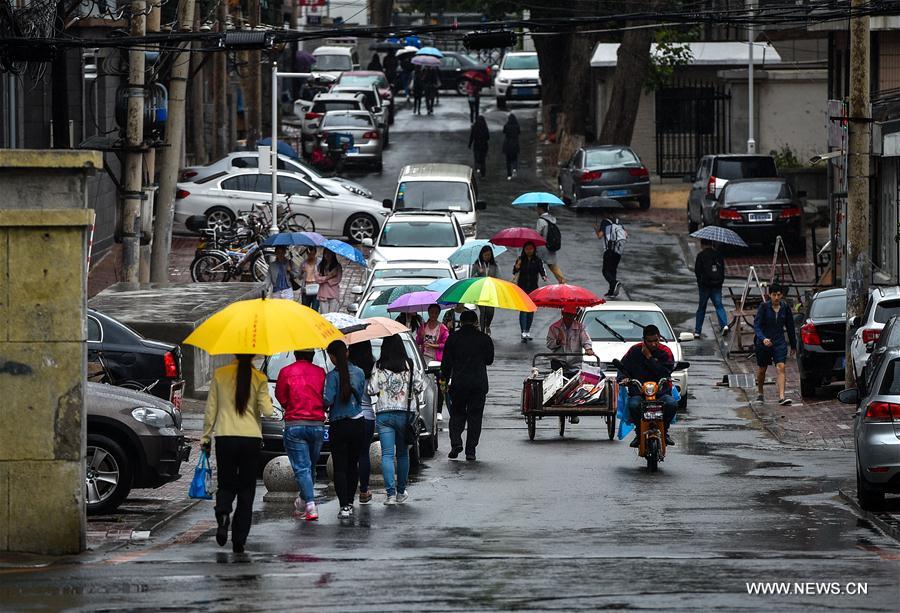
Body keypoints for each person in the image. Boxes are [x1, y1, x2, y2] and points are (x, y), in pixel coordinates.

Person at [201, 354, 274, 553]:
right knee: (247, 489)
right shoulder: (259, 378)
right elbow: (267, 411)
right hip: (251, 439)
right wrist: (265, 400)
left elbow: (211, 410)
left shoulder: (220, 374)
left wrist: (206, 437)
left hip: (225, 437)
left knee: (226, 483)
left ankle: (223, 514)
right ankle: (239, 538)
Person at [368, 334, 424, 504]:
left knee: (386, 455)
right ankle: (401, 492)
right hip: (406, 415)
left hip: (384, 414)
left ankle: (390, 494)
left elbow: (371, 389)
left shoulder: (378, 366)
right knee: (402, 454)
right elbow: (419, 386)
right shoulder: (410, 364)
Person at [274, 350, 326, 522]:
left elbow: (280, 396)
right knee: (310, 467)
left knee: (302, 468)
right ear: (312, 356)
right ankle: (303, 502)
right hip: (317, 425)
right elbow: (324, 397)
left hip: (295, 424)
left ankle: (310, 505)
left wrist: (291, 406)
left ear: (295, 354)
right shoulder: (320, 373)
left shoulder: (286, 372)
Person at [442, 310, 494, 461]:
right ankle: (470, 450)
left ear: (461, 322)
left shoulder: (453, 338)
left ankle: (456, 442)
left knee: (457, 413)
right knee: (475, 417)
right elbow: (489, 360)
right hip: (478, 384)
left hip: (459, 383)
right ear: (476, 322)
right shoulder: (484, 339)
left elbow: (446, 363)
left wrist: (444, 379)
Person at [323, 340, 367, 519]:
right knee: (353, 464)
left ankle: (344, 507)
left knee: (340, 467)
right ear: (347, 353)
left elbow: (328, 400)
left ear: (333, 357)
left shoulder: (332, 376)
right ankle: (350, 501)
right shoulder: (359, 372)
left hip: (339, 424)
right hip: (358, 422)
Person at [618, 325, 677, 448]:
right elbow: (623, 368)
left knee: (671, 404)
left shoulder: (665, 352)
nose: (653, 344)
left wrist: (649, 357)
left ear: (659, 338)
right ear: (644, 340)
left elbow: (665, 372)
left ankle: (664, 431)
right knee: (633, 405)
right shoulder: (634, 350)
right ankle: (639, 433)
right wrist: (623, 378)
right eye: (650, 341)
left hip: (661, 393)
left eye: (656, 340)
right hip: (639, 393)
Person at [753, 283, 797, 406]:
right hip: (764, 342)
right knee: (762, 369)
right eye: (774, 295)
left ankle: (782, 397)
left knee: (781, 366)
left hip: (779, 341)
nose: (776, 298)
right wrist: (763, 339)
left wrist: (793, 344)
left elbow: (790, 326)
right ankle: (760, 393)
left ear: (782, 295)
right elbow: (757, 325)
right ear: (770, 295)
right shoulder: (764, 307)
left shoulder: (785, 307)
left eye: (778, 295)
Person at [348, 341, 377, 505]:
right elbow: (375, 390)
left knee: (351, 456)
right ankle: (364, 490)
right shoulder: (372, 367)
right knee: (364, 453)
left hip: (351, 415)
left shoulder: (348, 368)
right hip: (368, 416)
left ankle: (349, 494)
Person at [694, 239, 729, 337]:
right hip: (716, 285)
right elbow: (722, 269)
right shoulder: (718, 255)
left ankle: (697, 331)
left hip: (704, 286)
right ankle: (724, 325)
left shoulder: (701, 255)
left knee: (701, 308)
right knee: (719, 305)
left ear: (702, 244)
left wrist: (700, 283)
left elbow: (697, 271)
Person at [513, 241, 547, 341]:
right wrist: (517, 266)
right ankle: (523, 331)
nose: (529, 251)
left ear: (534, 249)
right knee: (523, 310)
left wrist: (544, 276)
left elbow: (542, 270)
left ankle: (527, 331)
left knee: (531, 310)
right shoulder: (520, 259)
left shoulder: (537, 260)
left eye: (531, 249)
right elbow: (514, 271)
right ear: (524, 249)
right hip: (522, 288)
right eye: (527, 249)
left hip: (533, 288)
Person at [536, 203, 566, 284]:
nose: (536, 210)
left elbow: (538, 234)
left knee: (534, 265)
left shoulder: (541, 220)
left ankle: (531, 284)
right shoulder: (552, 219)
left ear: (540, 209)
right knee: (553, 266)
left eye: (537, 208)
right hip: (551, 246)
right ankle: (563, 282)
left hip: (542, 247)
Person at [472, 245, 499, 335]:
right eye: (486, 255)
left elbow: (498, 277)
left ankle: (487, 325)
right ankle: (482, 331)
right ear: (482, 255)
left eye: (489, 255)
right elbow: (472, 278)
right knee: (483, 311)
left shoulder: (493, 266)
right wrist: (478, 274)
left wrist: (493, 279)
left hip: (490, 291)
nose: (487, 257)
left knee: (490, 311)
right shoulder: (477, 265)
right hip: (480, 291)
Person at [597, 218, 626, 297]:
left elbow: (600, 235)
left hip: (609, 250)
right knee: (613, 270)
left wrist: (597, 229)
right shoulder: (617, 221)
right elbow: (626, 234)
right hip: (618, 250)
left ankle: (615, 283)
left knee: (605, 271)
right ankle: (612, 291)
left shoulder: (605, 221)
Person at [316, 248, 343, 314]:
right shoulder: (320, 265)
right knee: (324, 315)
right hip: (323, 293)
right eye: (325, 253)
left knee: (333, 316)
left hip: (333, 293)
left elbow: (337, 280)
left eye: (329, 253)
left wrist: (323, 279)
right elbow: (317, 279)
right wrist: (329, 276)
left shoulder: (337, 266)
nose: (327, 255)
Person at [502, 113, 520, 180]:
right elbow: (519, 132)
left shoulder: (507, 126)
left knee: (508, 160)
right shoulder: (516, 126)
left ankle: (509, 175)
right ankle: (514, 168)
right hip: (515, 144)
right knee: (515, 158)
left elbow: (504, 131)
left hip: (507, 145)